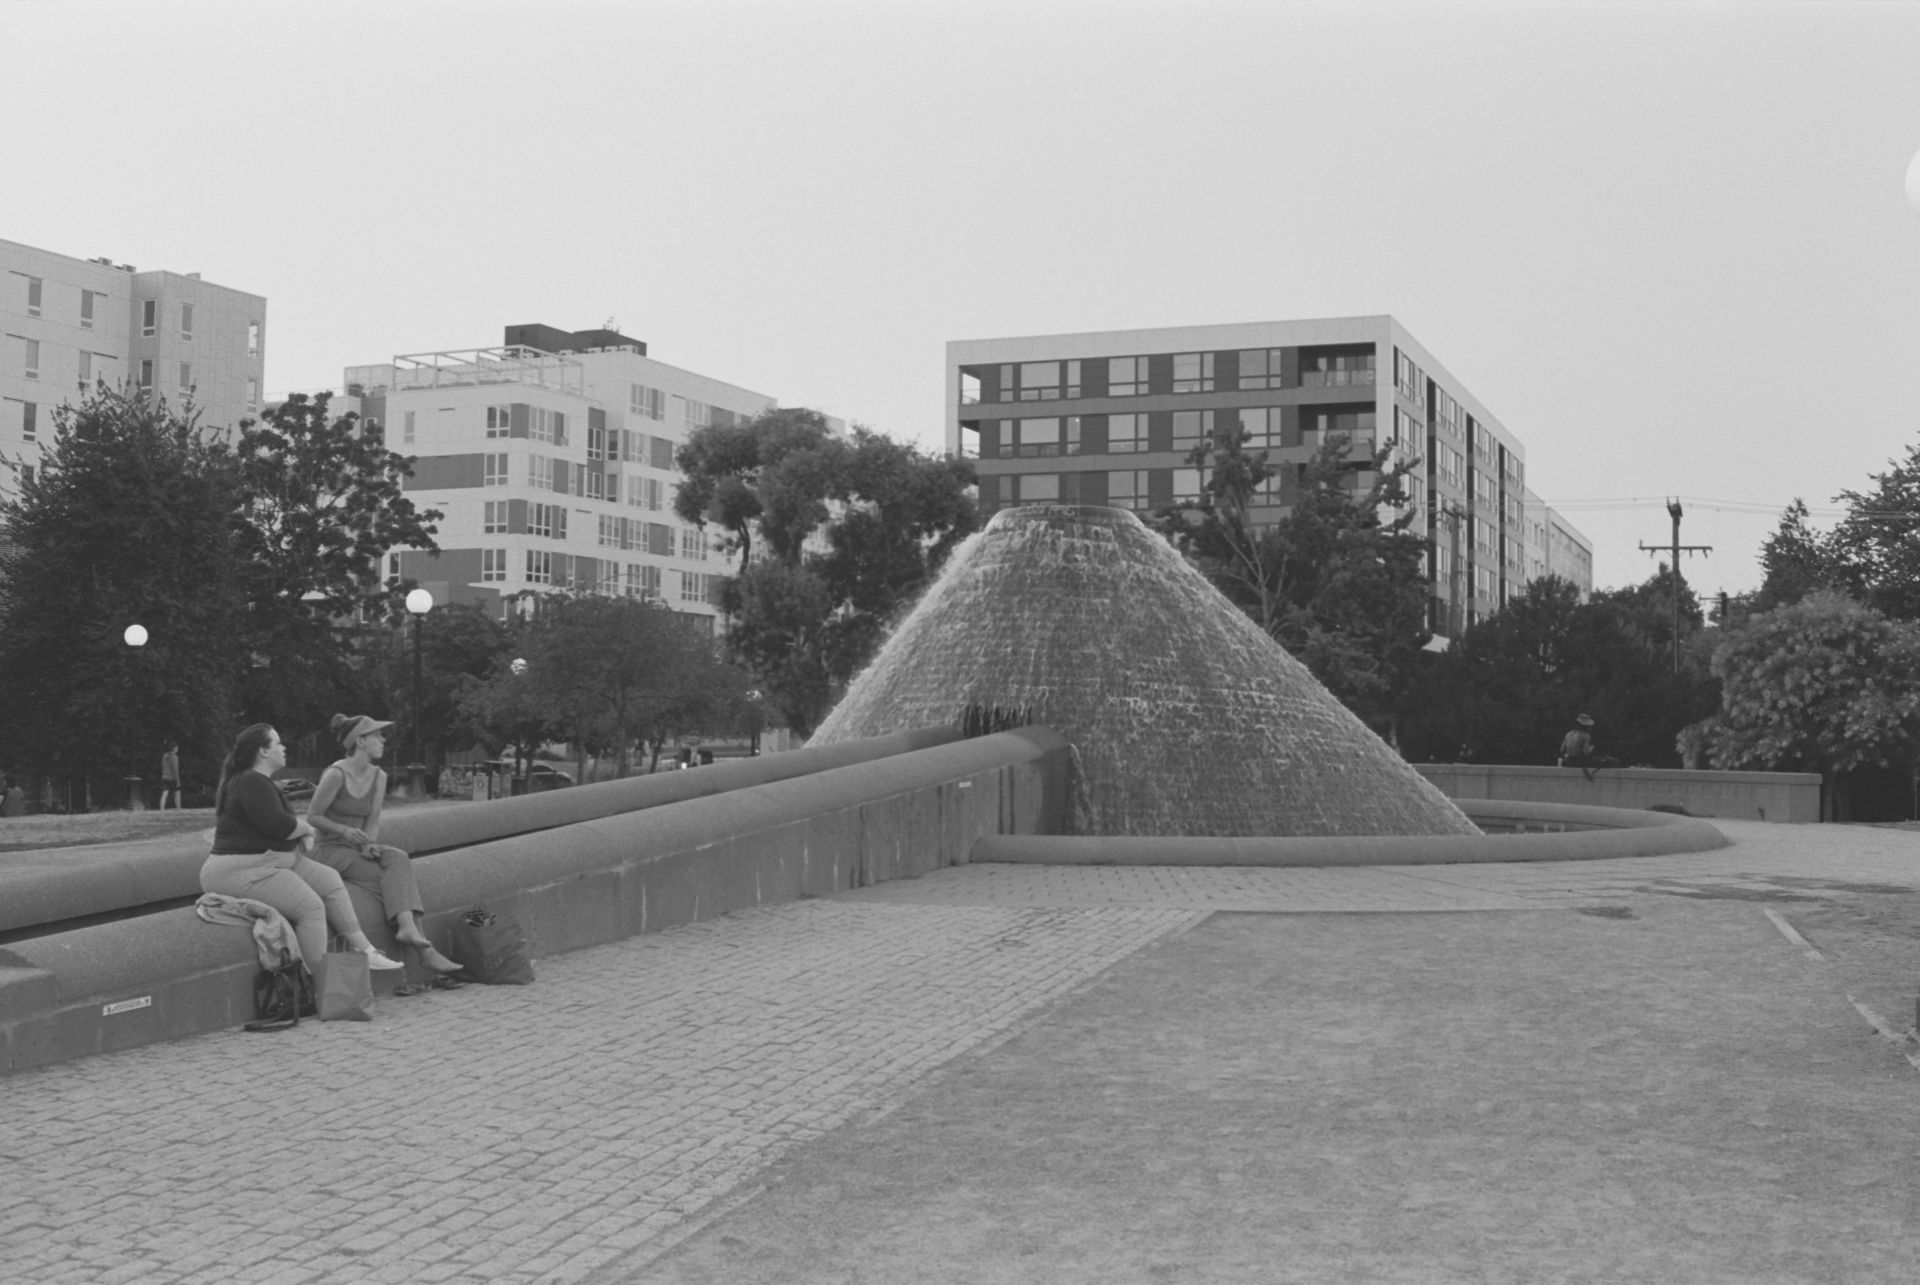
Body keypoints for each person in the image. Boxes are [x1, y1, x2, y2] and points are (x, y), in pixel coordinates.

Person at [199, 723, 404, 972]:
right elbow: (281, 826)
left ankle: (365, 951)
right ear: (263, 751)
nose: (283, 747)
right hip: (239, 869)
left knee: (329, 879)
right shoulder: (251, 781)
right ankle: (315, 980)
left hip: (272, 860)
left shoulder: (258, 782)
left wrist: (301, 832)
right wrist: (305, 830)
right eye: (278, 743)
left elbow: (278, 828)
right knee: (310, 908)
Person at [306, 715, 463, 975]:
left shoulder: (379, 776)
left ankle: (408, 929)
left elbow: (373, 820)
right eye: (377, 735)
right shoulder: (335, 774)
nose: (383, 740)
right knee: (389, 879)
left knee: (398, 857)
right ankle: (424, 948)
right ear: (360, 741)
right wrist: (344, 830)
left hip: (356, 848)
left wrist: (369, 843)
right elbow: (312, 817)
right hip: (329, 850)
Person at [159, 742, 181, 811]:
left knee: (164, 793)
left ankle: (162, 809)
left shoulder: (164, 756)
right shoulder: (175, 757)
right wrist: (177, 780)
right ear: (174, 748)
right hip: (172, 778)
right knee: (177, 793)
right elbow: (175, 770)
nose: (177, 749)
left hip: (164, 777)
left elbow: (162, 766)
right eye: (176, 747)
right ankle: (178, 809)